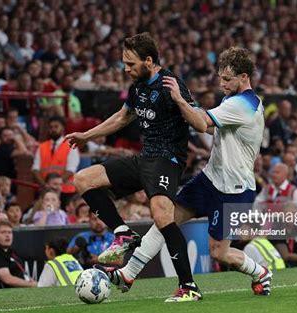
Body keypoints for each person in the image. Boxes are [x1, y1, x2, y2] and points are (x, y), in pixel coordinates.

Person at [98, 46, 273, 299]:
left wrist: (180, 100)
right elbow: (215, 128)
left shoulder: (244, 104)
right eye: (220, 78)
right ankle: (129, 272)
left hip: (235, 190)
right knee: (165, 218)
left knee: (219, 252)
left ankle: (260, 272)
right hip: (210, 179)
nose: (222, 84)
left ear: (244, 77)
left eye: (227, 79)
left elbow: (202, 124)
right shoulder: (231, 100)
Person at [66, 32, 202, 301]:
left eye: (130, 64)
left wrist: (180, 100)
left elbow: (199, 123)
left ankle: (188, 286)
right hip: (144, 159)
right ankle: (122, 233)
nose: (126, 69)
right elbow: (122, 117)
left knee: (162, 215)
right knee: (83, 179)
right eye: (124, 64)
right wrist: (86, 136)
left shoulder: (170, 84)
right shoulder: (138, 87)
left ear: (149, 61)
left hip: (167, 160)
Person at [33, 116, 79, 203]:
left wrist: (55, 184)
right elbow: (35, 169)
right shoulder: (42, 146)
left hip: (66, 192)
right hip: (46, 191)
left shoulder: (70, 145)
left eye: (56, 126)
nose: (53, 129)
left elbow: (71, 170)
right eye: (51, 127)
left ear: (62, 128)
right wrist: (45, 185)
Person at [0, 220, 37, 289]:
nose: (7, 235)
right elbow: (8, 279)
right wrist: (31, 284)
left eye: (10, 232)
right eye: (3, 232)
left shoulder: (11, 252)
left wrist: (29, 280)